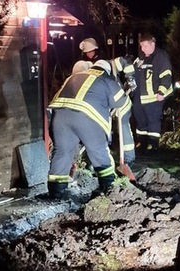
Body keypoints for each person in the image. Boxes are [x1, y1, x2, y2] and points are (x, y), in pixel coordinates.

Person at [46, 60, 131, 199]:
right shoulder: (106, 79)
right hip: (86, 116)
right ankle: (108, 187)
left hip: (60, 115)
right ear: (107, 70)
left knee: (62, 152)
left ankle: (56, 192)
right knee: (98, 151)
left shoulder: (74, 76)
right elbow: (120, 102)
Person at [131, 32, 174, 151]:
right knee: (140, 121)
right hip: (139, 96)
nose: (142, 48)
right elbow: (133, 70)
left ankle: (153, 145)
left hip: (154, 97)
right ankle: (142, 143)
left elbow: (166, 75)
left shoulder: (161, 56)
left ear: (152, 44)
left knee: (153, 121)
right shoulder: (141, 56)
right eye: (141, 46)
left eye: (145, 46)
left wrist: (161, 92)